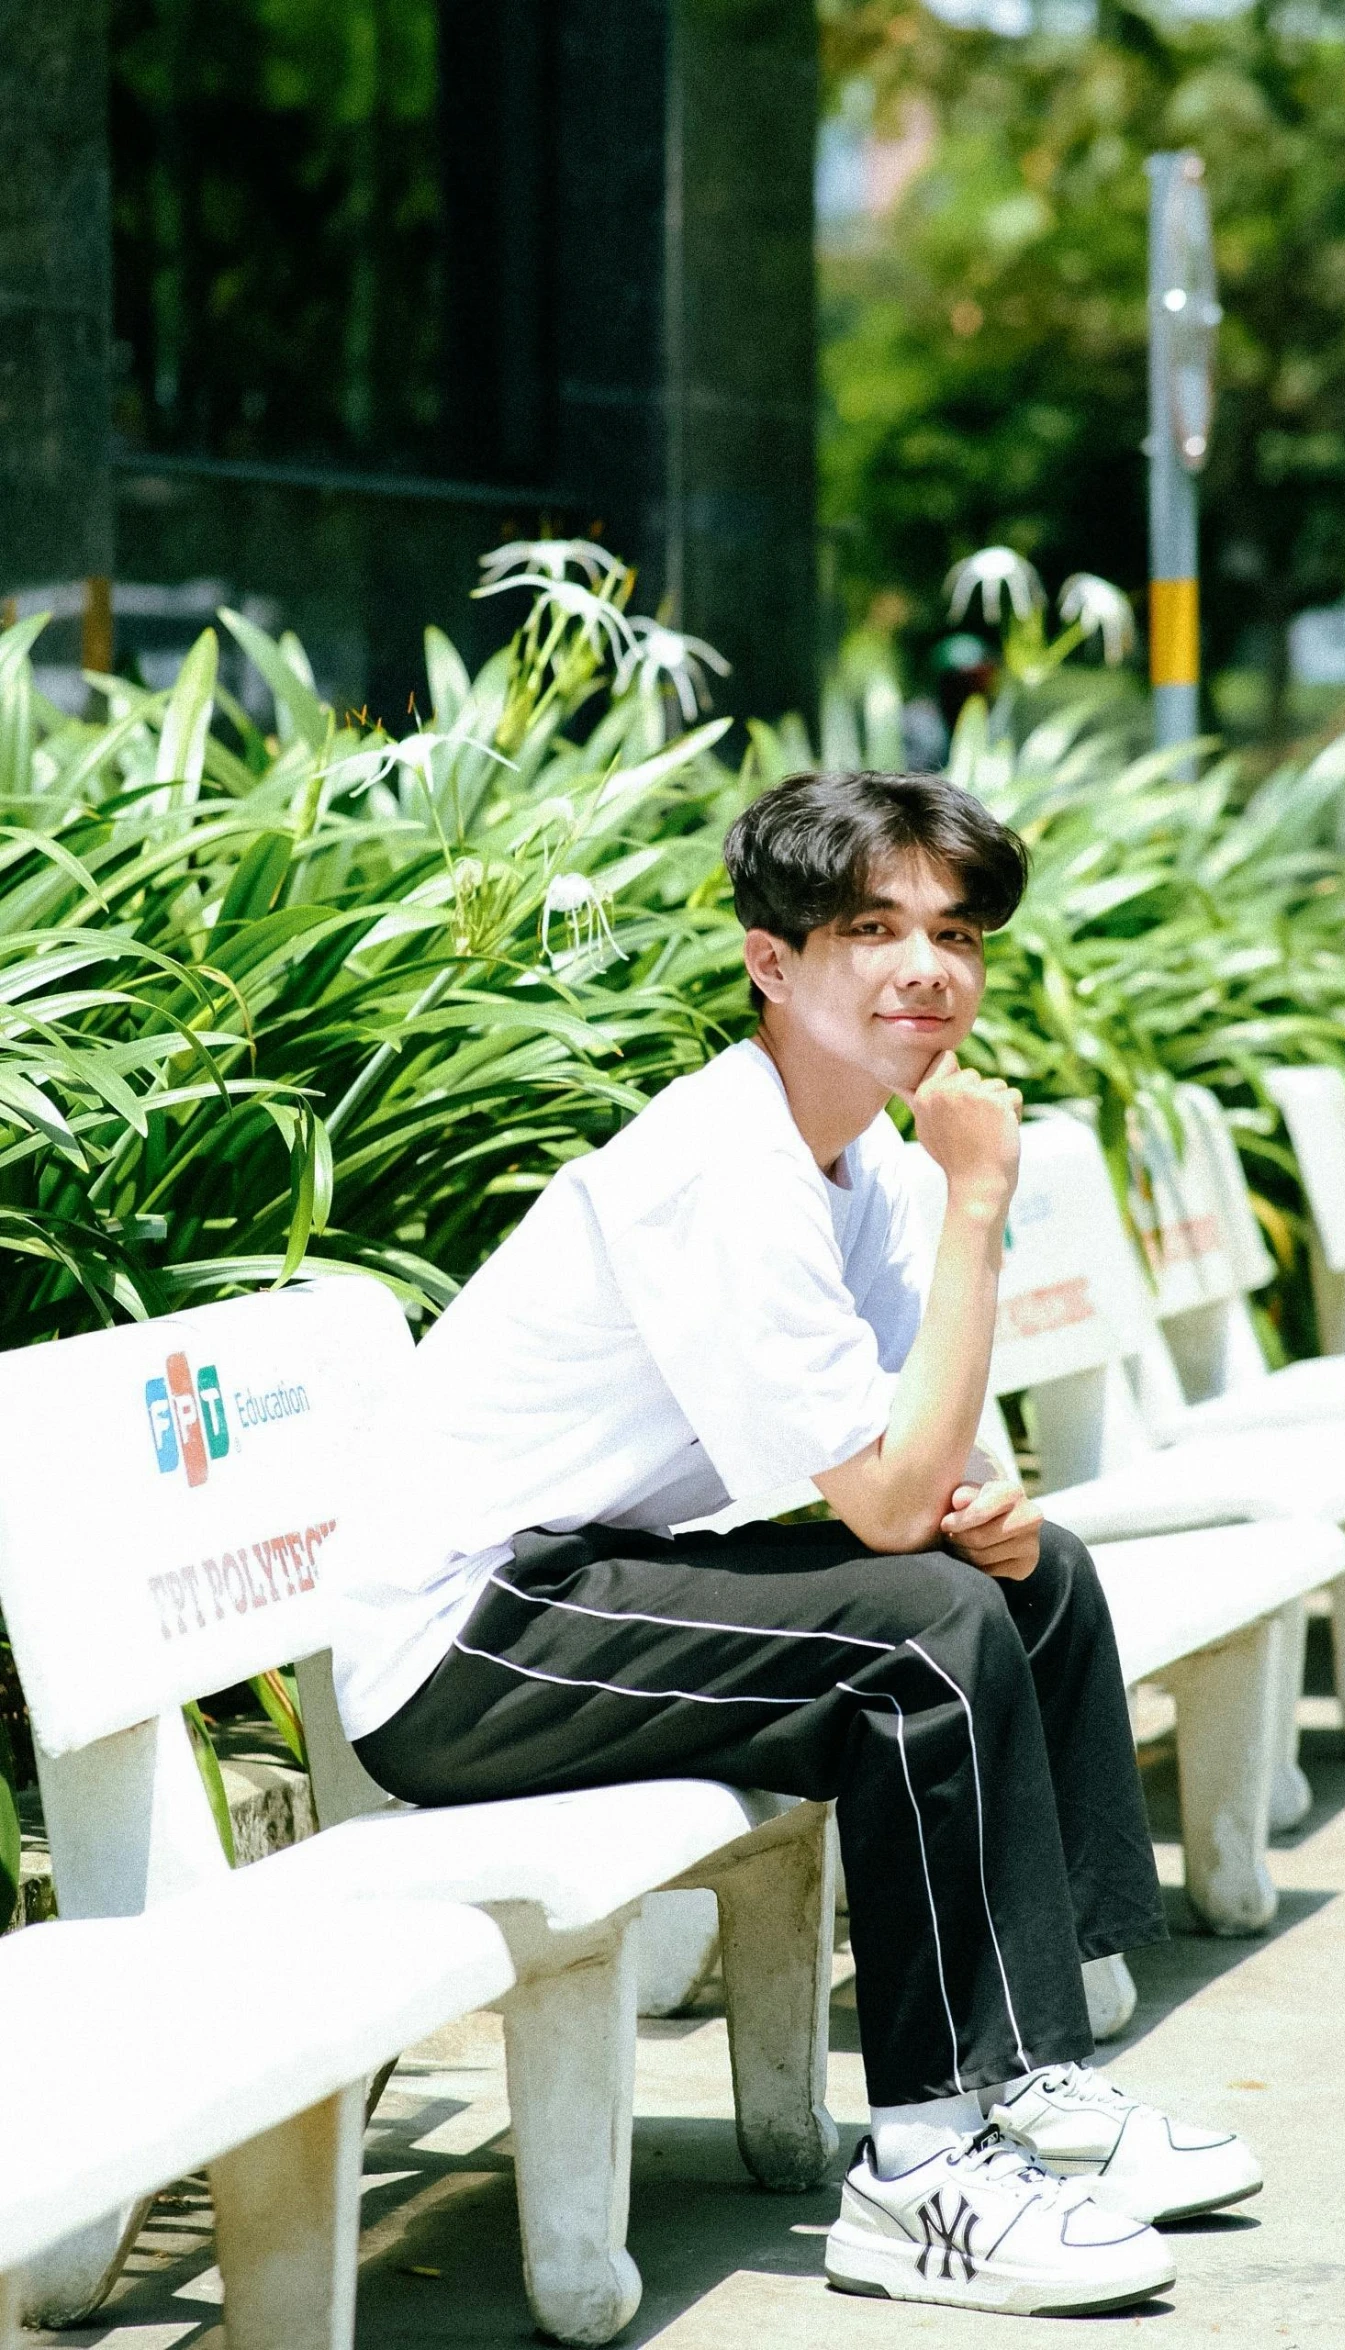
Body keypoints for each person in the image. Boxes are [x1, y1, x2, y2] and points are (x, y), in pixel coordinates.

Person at [333, 770, 1261, 2318]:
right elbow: (886, 1517)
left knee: (1029, 1584)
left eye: (954, 935)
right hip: (462, 1644)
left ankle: (1033, 2080)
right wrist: (980, 1199)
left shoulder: (866, 1167)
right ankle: (920, 2171)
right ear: (771, 961)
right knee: (923, 1624)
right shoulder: (729, 1167)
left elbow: (939, 1472)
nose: (926, 970)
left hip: (585, 1586)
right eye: (872, 929)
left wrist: (1004, 1504)